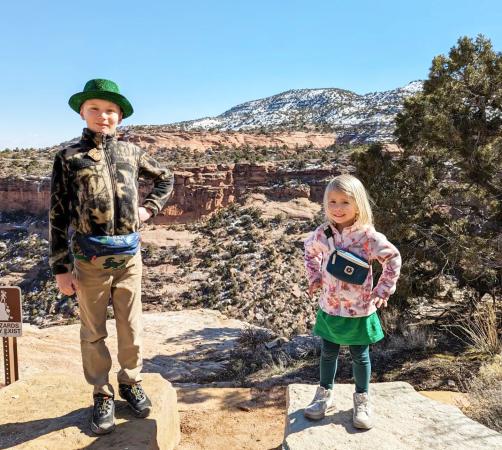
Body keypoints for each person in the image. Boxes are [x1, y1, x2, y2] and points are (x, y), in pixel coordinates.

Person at [49, 79, 174, 434]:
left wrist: (148, 209)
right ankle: (101, 392)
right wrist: (61, 268)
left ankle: (130, 382)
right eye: (95, 109)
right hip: (89, 261)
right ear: (82, 112)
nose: (103, 116)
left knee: (131, 327)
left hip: (129, 259)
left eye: (110, 110)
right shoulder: (68, 157)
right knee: (92, 332)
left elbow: (166, 178)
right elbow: (57, 214)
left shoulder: (132, 153)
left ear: (120, 115)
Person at [303, 174, 401, 429]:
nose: (337, 208)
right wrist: (314, 277)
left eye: (345, 202)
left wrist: (383, 289)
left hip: (359, 309)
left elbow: (393, 258)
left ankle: (362, 399)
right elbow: (309, 252)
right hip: (331, 306)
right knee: (328, 353)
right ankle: (324, 395)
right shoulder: (323, 234)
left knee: (360, 355)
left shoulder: (368, 237)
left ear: (358, 204)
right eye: (332, 201)